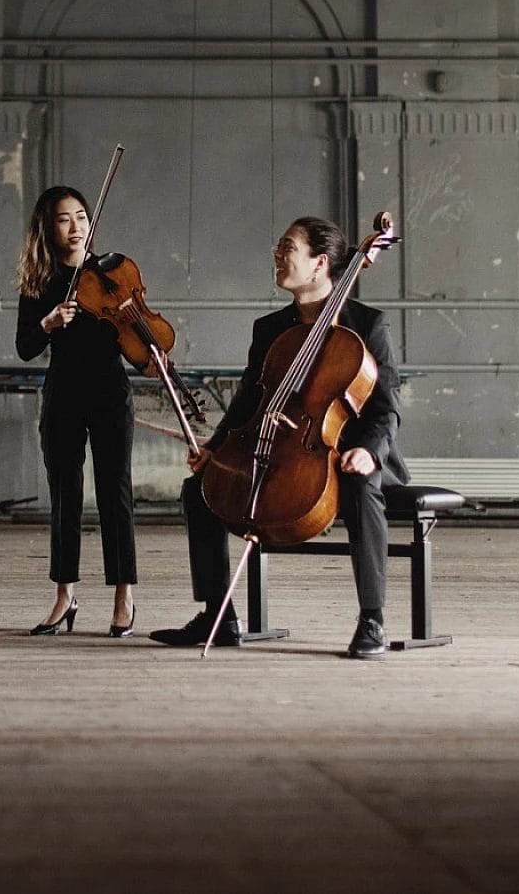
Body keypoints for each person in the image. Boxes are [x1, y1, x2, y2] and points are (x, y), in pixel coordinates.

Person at [148, 216, 408, 658]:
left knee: (362, 486)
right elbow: (249, 402)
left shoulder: (368, 324)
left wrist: (368, 450)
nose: (277, 254)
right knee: (200, 489)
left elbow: (386, 407)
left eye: (288, 248)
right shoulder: (269, 329)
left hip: (344, 452)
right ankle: (218, 615)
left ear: (320, 263)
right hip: (278, 448)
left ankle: (372, 620)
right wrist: (214, 450)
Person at [14, 185, 139, 637]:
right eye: (64, 219)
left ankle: (124, 595)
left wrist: (149, 345)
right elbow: (25, 347)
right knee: (65, 496)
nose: (75, 226)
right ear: (49, 227)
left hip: (109, 391)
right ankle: (65, 595)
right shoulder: (40, 281)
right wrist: (48, 323)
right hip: (64, 392)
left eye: (81, 216)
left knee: (114, 493)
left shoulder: (112, 273)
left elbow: (133, 338)